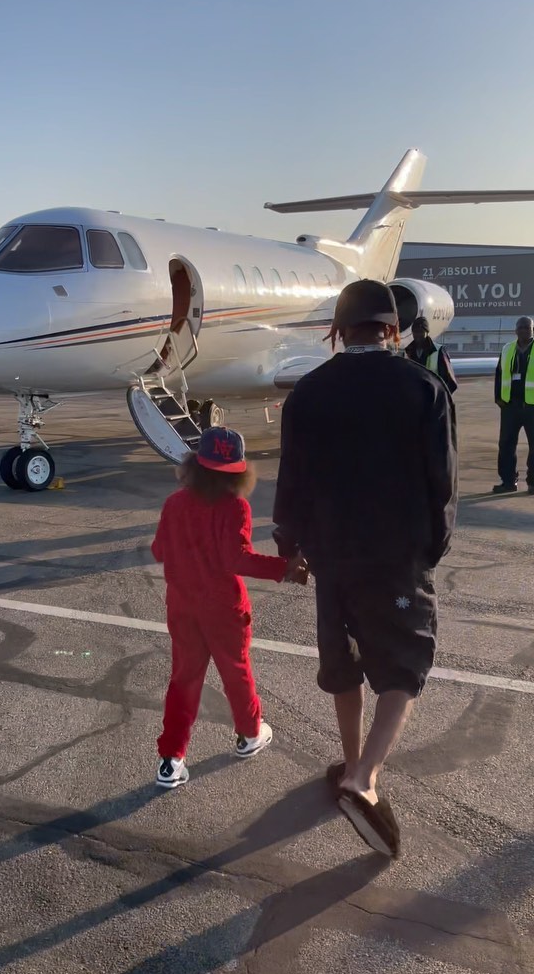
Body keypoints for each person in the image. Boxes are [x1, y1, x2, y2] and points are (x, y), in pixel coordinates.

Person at [273, 279, 457, 858]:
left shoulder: (307, 393)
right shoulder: (423, 388)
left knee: (344, 662)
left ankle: (351, 762)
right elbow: (442, 482)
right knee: (404, 664)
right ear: (393, 330)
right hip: (396, 556)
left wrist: (290, 545)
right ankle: (364, 777)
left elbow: (292, 478)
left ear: (336, 331)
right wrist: (432, 549)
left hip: (332, 555)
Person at [152, 427, 306, 789]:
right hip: (223, 608)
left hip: (182, 606)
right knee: (236, 672)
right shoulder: (235, 506)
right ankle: (249, 733)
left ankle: (171, 760)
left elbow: (159, 551)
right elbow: (237, 558)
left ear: (195, 465)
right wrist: (285, 568)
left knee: (184, 680)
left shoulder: (175, 503)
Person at [493, 316, 534, 496]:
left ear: (533, 330)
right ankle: (508, 481)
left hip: (533, 407)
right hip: (510, 406)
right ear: (515, 330)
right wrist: (499, 400)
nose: (523, 330)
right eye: (521, 327)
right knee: (506, 445)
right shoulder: (507, 349)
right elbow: (499, 374)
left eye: (527, 328)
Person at [404, 315, 458, 394]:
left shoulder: (439, 351)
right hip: (415, 397)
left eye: (421, 331)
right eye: (415, 332)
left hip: (433, 396)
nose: (418, 334)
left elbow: (450, 382)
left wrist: (441, 397)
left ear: (427, 332)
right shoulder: (407, 352)